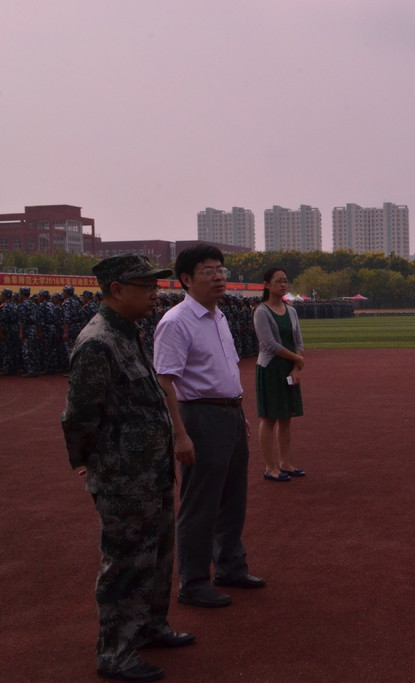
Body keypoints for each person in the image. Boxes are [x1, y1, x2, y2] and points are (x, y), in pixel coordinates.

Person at [61, 254, 194, 682]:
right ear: (117, 290)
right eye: (146, 286)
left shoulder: (129, 333)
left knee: (157, 555)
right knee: (124, 564)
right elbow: (79, 415)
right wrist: (89, 461)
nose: (155, 294)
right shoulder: (98, 342)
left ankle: (151, 627)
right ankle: (116, 652)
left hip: (150, 470)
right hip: (124, 477)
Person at [154, 244, 265, 609]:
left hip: (229, 414)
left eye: (221, 269)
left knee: (233, 499)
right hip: (199, 418)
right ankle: (194, 581)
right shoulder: (176, 322)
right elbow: (164, 382)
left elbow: (224, 371)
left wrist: (237, 411)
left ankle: (230, 566)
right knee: (200, 504)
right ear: (186, 279)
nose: (219, 277)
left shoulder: (218, 316)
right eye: (208, 271)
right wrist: (179, 434)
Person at [253, 267, 306, 482]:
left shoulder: (291, 311)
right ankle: (270, 466)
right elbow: (269, 344)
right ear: (267, 285)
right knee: (269, 418)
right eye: (278, 281)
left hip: (289, 368)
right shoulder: (262, 312)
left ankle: (284, 462)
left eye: (285, 281)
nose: (283, 285)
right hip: (270, 369)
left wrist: (296, 367)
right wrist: (296, 359)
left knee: (286, 417)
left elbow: (299, 342)